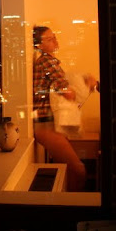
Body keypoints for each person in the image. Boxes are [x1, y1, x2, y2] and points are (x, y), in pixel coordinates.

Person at [32, 25, 98, 191]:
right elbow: (68, 93)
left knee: (68, 172)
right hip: (46, 125)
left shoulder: (49, 62)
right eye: (49, 39)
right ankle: (73, 204)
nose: (55, 40)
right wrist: (87, 85)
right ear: (39, 45)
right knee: (78, 170)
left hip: (48, 124)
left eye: (54, 36)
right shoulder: (47, 61)